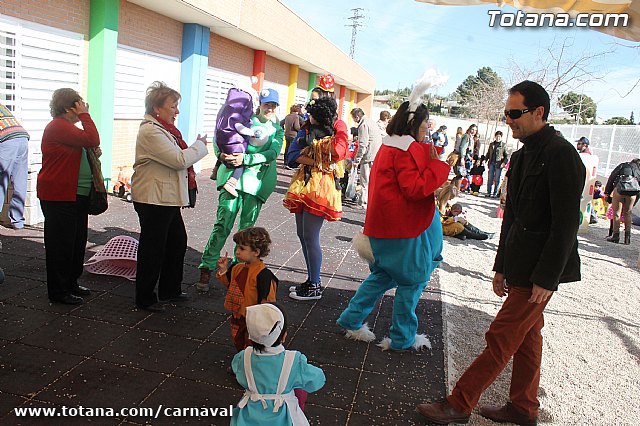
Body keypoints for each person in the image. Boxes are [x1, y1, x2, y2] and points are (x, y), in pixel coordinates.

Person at [416, 80, 585, 426]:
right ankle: (524, 408)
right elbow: (513, 218)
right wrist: (501, 266)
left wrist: (546, 278)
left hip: (539, 271)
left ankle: (459, 403)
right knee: (526, 340)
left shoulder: (562, 154)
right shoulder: (523, 154)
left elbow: (566, 225)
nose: (508, 120)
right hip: (520, 265)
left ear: (539, 112)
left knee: (501, 337)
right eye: (506, 113)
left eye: (514, 113)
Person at [336, 93, 450, 351]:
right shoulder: (405, 150)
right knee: (412, 282)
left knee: (382, 277)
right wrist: (436, 166)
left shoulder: (391, 145)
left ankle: (351, 319)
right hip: (404, 233)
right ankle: (402, 338)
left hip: (383, 230)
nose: (427, 129)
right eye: (424, 125)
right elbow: (414, 188)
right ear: (414, 125)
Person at [132, 81, 209, 312]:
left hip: (164, 198)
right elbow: (178, 159)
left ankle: (169, 290)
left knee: (176, 242)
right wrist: (199, 146)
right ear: (157, 108)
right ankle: (145, 297)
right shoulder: (150, 131)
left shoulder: (163, 130)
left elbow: (178, 158)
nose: (177, 111)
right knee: (153, 248)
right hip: (153, 199)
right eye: (173, 106)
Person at [196, 88, 284, 291]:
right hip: (232, 181)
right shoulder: (245, 118)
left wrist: (246, 158)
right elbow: (223, 135)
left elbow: (272, 153)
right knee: (222, 224)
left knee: (246, 231)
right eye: (267, 104)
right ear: (260, 104)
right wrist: (221, 155)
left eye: (273, 105)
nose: (270, 108)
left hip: (256, 185)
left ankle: (238, 271)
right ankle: (207, 267)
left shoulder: (277, 130)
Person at [37, 89, 100, 305]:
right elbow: (92, 138)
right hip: (58, 196)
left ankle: (71, 283)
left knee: (76, 242)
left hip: (75, 195)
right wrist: (85, 116)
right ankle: (58, 290)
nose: (83, 107)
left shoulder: (69, 129)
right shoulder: (58, 126)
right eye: (79, 105)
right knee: (60, 245)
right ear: (67, 107)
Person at [284, 96, 349, 300]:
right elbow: (291, 155)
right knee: (302, 234)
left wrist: (315, 156)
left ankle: (315, 284)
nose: (307, 116)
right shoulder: (306, 129)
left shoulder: (338, 128)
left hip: (321, 188)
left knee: (310, 237)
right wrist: (317, 159)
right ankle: (311, 279)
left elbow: (339, 153)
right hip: (305, 184)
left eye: (311, 113)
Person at [231, 303, 325, 425]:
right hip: (283, 418)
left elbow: (237, 370)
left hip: (249, 417)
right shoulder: (294, 361)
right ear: (284, 335)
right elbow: (317, 380)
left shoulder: (243, 357)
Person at [215, 227, 278, 352]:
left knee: (253, 343)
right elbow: (230, 284)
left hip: (254, 318)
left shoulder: (263, 275)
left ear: (256, 252)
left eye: (242, 249)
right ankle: (242, 361)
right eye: (237, 247)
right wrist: (223, 269)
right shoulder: (237, 268)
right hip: (238, 315)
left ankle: (249, 365)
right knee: (238, 339)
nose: (237, 252)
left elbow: (268, 300)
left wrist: (264, 319)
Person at [215, 87, 257, 197]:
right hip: (235, 146)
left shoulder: (225, 115)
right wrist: (251, 132)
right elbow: (241, 128)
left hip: (224, 145)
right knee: (240, 164)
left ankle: (215, 170)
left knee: (224, 157)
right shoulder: (237, 117)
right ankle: (232, 182)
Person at [0, 102, 30, 230]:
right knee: (20, 181)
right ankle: (17, 221)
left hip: (6, 140)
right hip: (22, 137)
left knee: (2, 182)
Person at [351, 108, 382, 210]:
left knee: (365, 181)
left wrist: (357, 160)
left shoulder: (363, 125)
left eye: (354, 118)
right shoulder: (372, 122)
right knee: (373, 181)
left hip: (368, 156)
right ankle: (371, 201)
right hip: (376, 154)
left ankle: (363, 203)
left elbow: (362, 144)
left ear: (357, 117)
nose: (354, 121)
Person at [604, 158, 640, 244]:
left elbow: (612, 177)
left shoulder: (623, 165)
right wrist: (636, 199)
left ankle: (615, 236)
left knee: (617, 213)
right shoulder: (638, 170)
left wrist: (607, 192)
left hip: (620, 190)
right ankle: (627, 238)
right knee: (628, 213)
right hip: (633, 193)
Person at [453, 124, 477, 190]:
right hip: (462, 157)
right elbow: (462, 147)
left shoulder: (471, 138)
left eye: (475, 130)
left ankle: (453, 190)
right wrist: (462, 158)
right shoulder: (466, 136)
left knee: (461, 174)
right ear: (469, 129)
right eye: (472, 129)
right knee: (460, 174)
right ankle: (456, 190)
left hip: (467, 157)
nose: (473, 131)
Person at [486, 130, 509, 197]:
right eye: (497, 136)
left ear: (501, 137)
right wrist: (485, 159)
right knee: (490, 178)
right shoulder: (492, 144)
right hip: (491, 163)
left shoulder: (503, 145)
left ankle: (495, 193)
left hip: (499, 164)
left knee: (497, 179)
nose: (498, 138)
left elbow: (506, 155)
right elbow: (488, 153)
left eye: (499, 137)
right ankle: (489, 192)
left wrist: (504, 163)